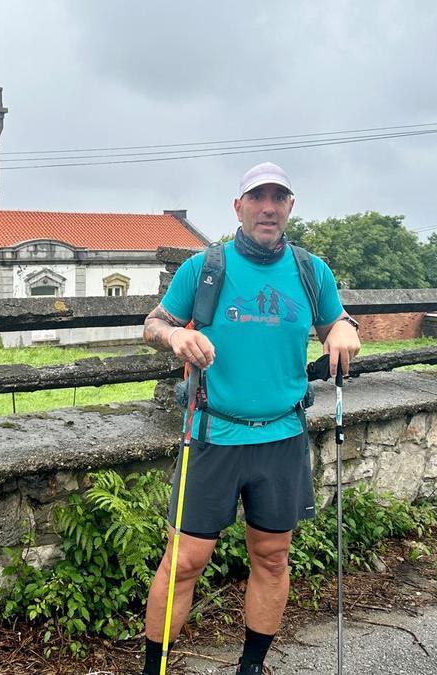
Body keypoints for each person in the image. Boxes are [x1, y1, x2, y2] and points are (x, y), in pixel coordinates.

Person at [137, 162, 361, 674]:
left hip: (282, 435)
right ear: (238, 206)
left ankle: (251, 666)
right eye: (257, 197)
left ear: (289, 207)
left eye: (278, 198)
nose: (268, 207)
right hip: (212, 434)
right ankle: (155, 669)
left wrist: (346, 328)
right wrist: (175, 336)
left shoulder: (311, 270)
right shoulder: (205, 267)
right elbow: (152, 323)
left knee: (272, 558)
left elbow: (337, 324)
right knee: (184, 563)